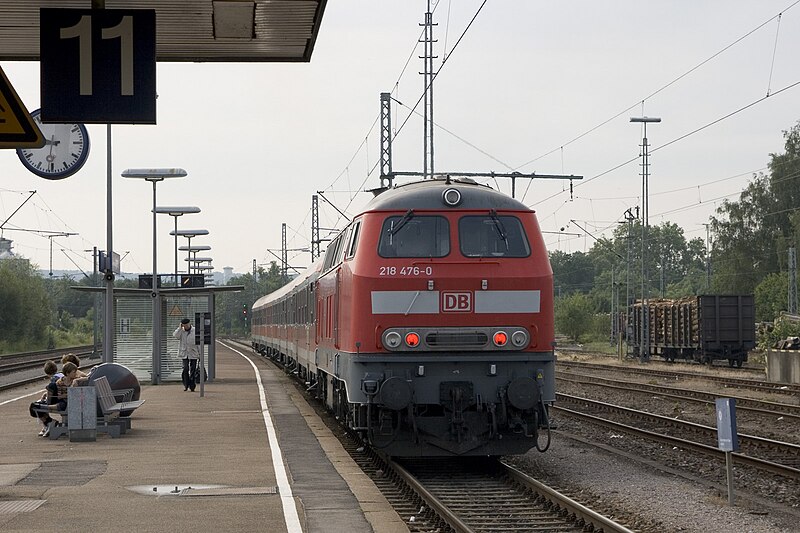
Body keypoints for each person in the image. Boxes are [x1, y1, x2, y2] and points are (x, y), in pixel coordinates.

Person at [29, 360, 63, 436]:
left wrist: (45, 398)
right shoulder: (61, 375)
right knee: (40, 403)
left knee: (34, 406)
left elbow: (51, 396)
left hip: (57, 401)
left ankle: (48, 423)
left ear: (46, 372)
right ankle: (48, 424)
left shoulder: (53, 380)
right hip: (62, 400)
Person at [173, 318, 199, 391]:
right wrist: (179, 328)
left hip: (193, 352)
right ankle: (186, 384)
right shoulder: (181, 331)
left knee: (193, 370)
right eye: (184, 325)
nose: (186, 326)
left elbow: (198, 343)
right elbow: (175, 336)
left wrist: (200, 354)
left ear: (189, 323)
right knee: (185, 368)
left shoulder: (195, 330)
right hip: (184, 353)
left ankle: (192, 386)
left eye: (186, 325)